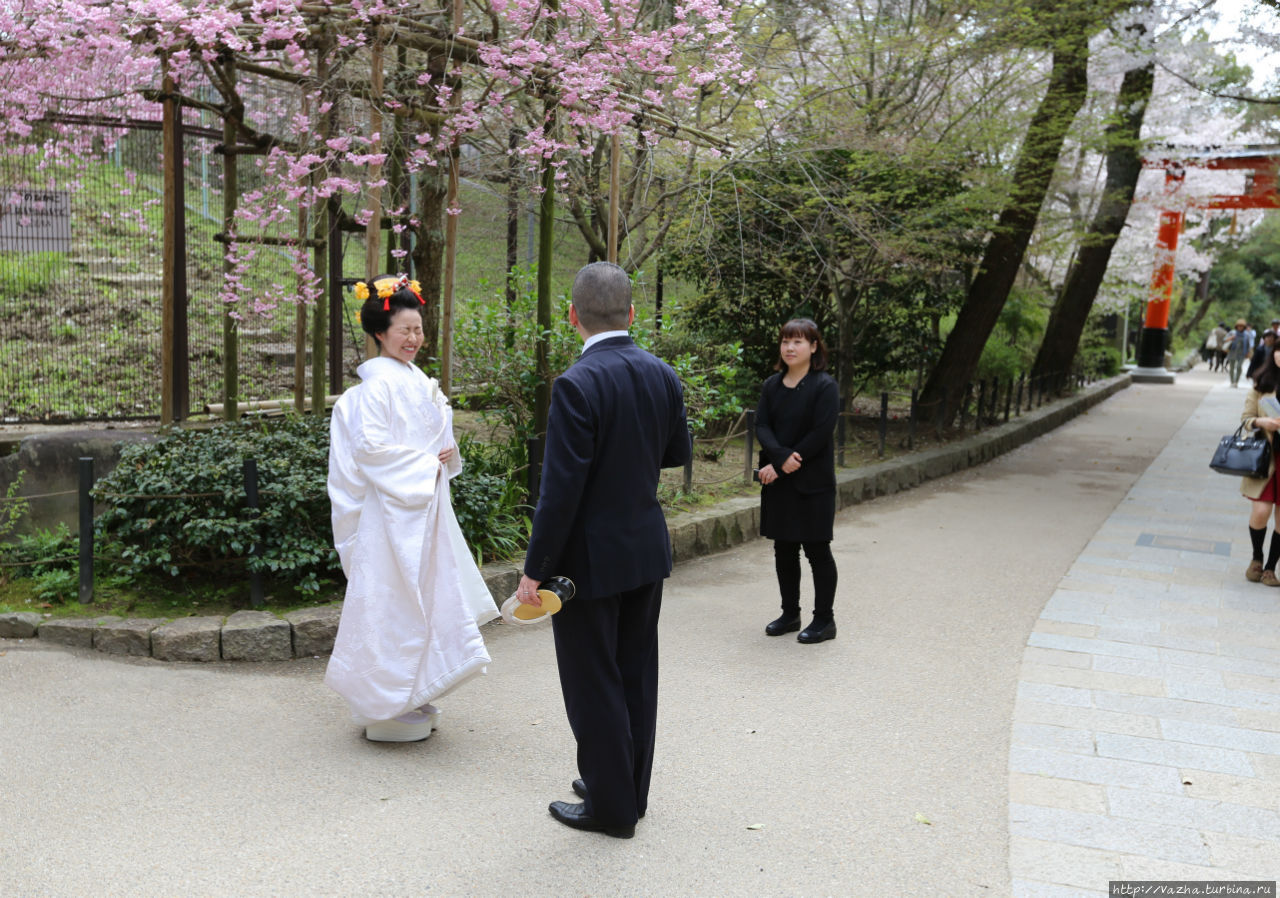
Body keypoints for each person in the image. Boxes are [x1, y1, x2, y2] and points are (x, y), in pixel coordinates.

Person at [515, 261, 691, 839]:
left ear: (573, 317)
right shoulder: (663, 373)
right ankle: (626, 791)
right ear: (633, 314)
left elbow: (558, 493)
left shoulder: (576, 384)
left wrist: (534, 572)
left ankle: (611, 810)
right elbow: (674, 454)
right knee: (636, 674)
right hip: (644, 548)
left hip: (587, 563)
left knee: (593, 682)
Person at [326, 273, 497, 742]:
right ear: (380, 332)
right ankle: (383, 699)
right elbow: (372, 452)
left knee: (424, 598)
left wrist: (443, 456)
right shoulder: (369, 393)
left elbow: (440, 440)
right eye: (405, 330)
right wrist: (426, 465)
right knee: (390, 603)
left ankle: (413, 690)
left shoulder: (421, 383)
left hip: (423, 509)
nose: (414, 339)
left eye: (418, 329)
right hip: (387, 516)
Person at [755, 319, 840, 644]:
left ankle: (824, 620)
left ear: (814, 346)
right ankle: (790, 613)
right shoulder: (772, 386)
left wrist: (789, 461)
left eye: (798, 342)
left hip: (813, 483)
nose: (790, 348)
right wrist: (779, 459)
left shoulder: (824, 386)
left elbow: (821, 432)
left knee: (817, 550)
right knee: (783, 549)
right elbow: (762, 425)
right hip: (779, 481)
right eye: (785, 341)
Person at [1239, 345, 1280, 587]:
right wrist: (1261, 421)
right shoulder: (1261, 384)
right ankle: (1256, 558)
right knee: (1261, 512)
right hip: (1267, 460)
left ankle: (1270, 569)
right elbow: (1245, 420)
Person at [1225, 319, 1252, 387]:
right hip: (1232, 352)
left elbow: (1248, 345)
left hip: (1242, 353)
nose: (1240, 327)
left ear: (1244, 327)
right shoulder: (1232, 333)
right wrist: (1231, 338)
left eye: (1242, 326)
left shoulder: (1246, 335)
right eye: (1239, 326)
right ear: (1236, 326)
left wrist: (1248, 353)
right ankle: (1232, 381)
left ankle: (1236, 382)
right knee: (1231, 367)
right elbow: (1225, 340)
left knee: (1239, 367)